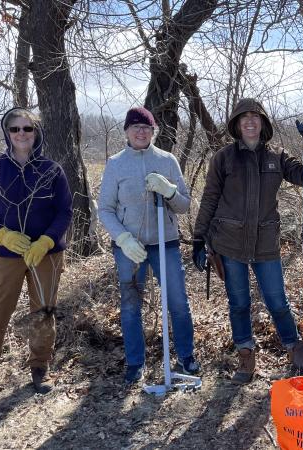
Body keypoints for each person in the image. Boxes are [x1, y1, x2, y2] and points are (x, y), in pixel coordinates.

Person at [192, 98, 303, 384]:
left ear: (263, 123)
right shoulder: (224, 158)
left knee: (277, 302)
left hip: (265, 244)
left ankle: (294, 352)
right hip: (229, 242)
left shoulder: (277, 156)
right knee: (239, 303)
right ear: (236, 124)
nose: (250, 121)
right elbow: (210, 198)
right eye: (244, 117)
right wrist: (199, 238)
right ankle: (246, 357)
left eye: (255, 117)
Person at [0, 107, 73, 409]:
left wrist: (47, 240)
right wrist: (2, 235)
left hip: (45, 255)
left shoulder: (51, 170)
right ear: (7, 133)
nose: (22, 134)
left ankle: (39, 369)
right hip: (7, 254)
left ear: (36, 132)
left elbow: (64, 212)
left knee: (43, 313)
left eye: (27, 129)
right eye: (15, 129)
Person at [98, 107, 199, 385]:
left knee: (177, 301)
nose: (141, 132)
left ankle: (186, 357)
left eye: (146, 127)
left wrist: (169, 191)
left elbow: (184, 206)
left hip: (165, 243)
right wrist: (123, 238)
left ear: (154, 131)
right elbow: (105, 209)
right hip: (129, 247)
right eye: (135, 127)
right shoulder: (116, 164)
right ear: (127, 132)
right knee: (131, 306)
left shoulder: (167, 160)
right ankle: (135, 362)